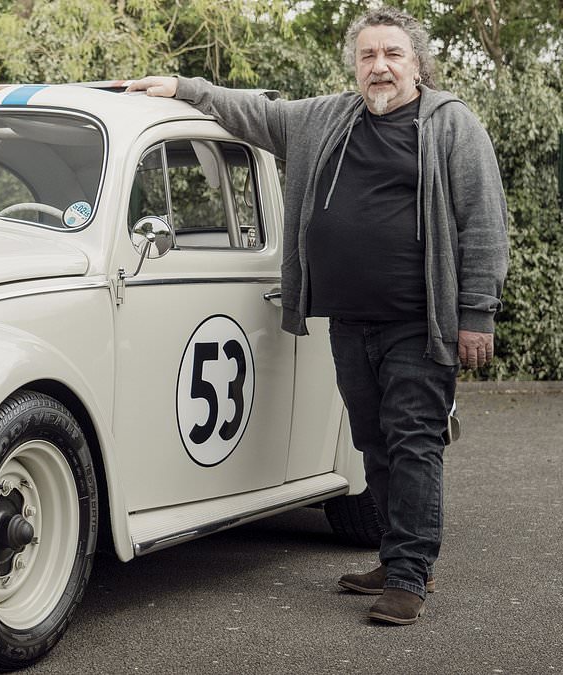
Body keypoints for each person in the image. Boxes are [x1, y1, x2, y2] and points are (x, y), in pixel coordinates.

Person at [128, 6, 508, 625]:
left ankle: (410, 575)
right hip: (348, 318)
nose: (379, 66)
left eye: (392, 54)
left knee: (413, 442)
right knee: (372, 441)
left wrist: (477, 314)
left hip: (419, 320)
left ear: (417, 63)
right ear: (355, 65)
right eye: (368, 56)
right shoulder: (326, 118)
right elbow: (256, 113)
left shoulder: (451, 126)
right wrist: (184, 90)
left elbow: (484, 221)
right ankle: (395, 555)